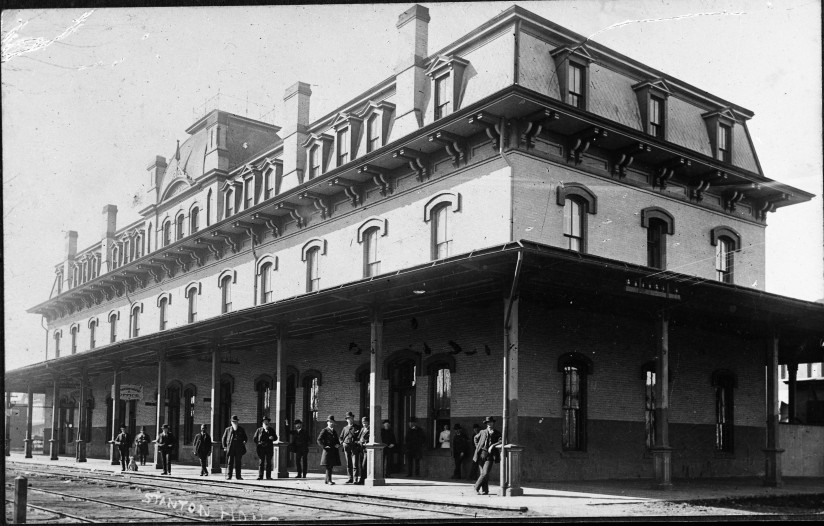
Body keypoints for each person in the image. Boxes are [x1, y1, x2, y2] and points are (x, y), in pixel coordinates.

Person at [473, 416, 502, 495]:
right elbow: (475, 438)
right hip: (481, 454)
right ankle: (485, 490)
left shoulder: (497, 433)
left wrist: (493, 445)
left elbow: (501, 441)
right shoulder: (482, 432)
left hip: (490, 455)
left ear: (493, 423)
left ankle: (476, 487)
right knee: (483, 473)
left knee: (485, 473)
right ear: (486, 424)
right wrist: (478, 447)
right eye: (488, 423)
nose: (489, 424)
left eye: (491, 422)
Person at [221, 415, 248, 480]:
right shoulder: (227, 429)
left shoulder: (241, 429)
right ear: (231, 422)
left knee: (238, 463)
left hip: (239, 448)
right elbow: (223, 438)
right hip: (230, 448)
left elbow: (245, 437)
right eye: (233, 422)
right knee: (230, 463)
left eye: (236, 421)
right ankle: (229, 476)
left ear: (238, 422)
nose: (235, 423)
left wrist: (244, 441)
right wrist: (224, 447)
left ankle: (238, 476)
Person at [317, 415, 341, 485]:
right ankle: (329, 480)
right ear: (327, 422)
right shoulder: (324, 430)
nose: (331, 423)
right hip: (327, 451)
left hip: (333, 451)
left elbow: (337, 441)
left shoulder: (334, 431)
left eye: (332, 422)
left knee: (331, 466)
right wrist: (324, 446)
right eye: (330, 422)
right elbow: (319, 440)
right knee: (328, 466)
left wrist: (338, 444)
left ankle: (326, 480)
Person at [253, 416, 278, 480]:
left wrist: (273, 438)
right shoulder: (259, 430)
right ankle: (260, 476)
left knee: (269, 462)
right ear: (262, 423)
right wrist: (259, 443)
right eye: (265, 422)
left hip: (269, 448)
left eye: (267, 422)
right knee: (261, 462)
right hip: (261, 448)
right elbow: (254, 438)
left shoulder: (271, 430)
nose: (266, 423)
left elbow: (276, 437)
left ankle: (268, 476)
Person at [340, 411, 362, 484]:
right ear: (346, 420)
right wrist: (342, 443)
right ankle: (350, 478)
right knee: (348, 464)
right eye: (348, 418)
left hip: (354, 447)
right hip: (346, 446)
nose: (350, 420)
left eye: (351, 418)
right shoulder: (345, 428)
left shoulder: (357, 427)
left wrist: (357, 442)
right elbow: (341, 437)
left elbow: (360, 437)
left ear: (353, 419)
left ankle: (355, 479)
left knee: (355, 464)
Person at [356, 416, 370, 485]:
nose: (364, 424)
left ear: (368, 422)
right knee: (361, 464)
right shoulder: (362, 429)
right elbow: (359, 437)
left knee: (364, 465)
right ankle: (362, 480)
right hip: (361, 449)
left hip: (366, 449)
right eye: (363, 423)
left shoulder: (370, 429)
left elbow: (371, 438)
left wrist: (365, 442)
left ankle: (363, 480)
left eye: (366, 422)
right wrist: (358, 441)